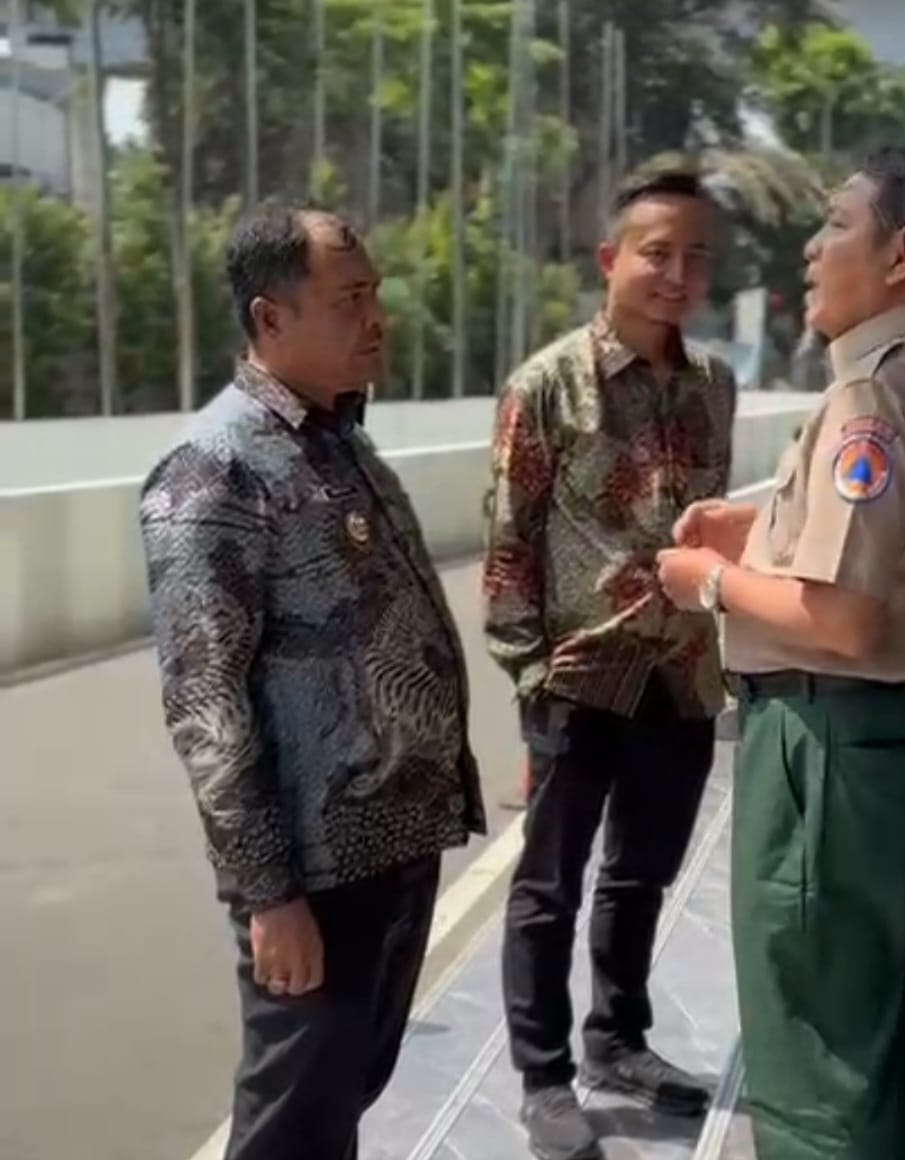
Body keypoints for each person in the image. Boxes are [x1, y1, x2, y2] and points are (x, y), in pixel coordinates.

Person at [657, 146, 905, 1160]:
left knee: (816, 1049)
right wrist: (760, 527)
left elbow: (846, 617)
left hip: (832, 747)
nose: (812, 250)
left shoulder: (876, 398)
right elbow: (901, 537)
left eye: (837, 225)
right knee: (886, 1029)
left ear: (901, 253)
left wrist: (709, 581)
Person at [139, 203, 485, 1160]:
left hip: (392, 846)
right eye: (349, 299)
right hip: (315, 872)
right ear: (270, 317)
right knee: (290, 1125)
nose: (376, 319)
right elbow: (204, 701)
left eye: (375, 294)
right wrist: (268, 896)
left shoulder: (336, 437)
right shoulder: (214, 470)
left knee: (338, 1104)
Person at [483, 168, 736, 1160]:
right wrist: (529, 674)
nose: (677, 274)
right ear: (609, 259)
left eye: (696, 256)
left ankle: (618, 1040)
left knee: (642, 874)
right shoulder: (548, 385)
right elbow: (509, 539)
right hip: (580, 679)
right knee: (549, 886)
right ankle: (545, 1077)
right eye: (656, 253)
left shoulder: (713, 384)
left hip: (683, 672)